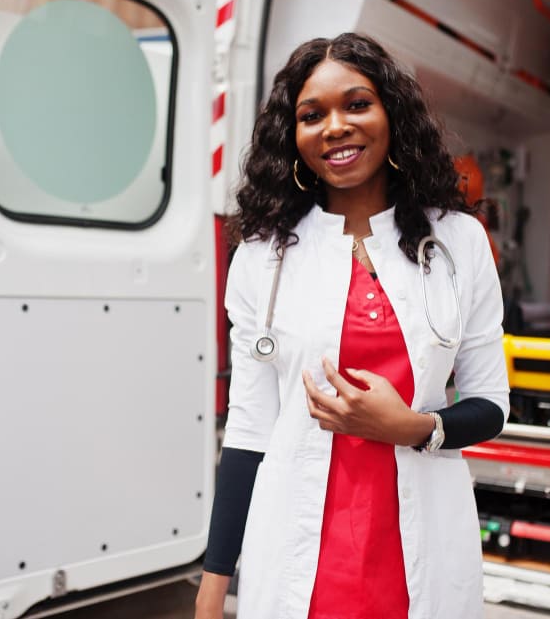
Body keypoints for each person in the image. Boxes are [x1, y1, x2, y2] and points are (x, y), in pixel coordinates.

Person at [195, 33, 509, 619]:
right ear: (293, 137)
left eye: (357, 104)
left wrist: (412, 426)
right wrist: (213, 588)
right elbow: (247, 433)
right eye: (312, 115)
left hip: (418, 546)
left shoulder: (459, 241)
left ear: (393, 116)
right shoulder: (262, 254)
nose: (335, 127)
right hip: (299, 548)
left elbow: (490, 404)